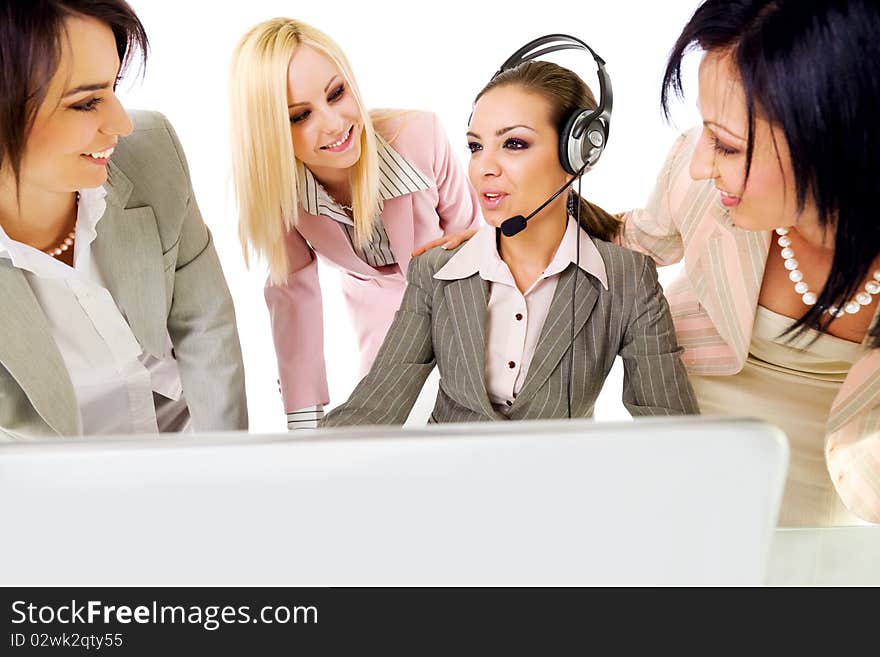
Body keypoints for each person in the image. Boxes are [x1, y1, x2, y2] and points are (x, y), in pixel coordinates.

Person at [322, 60, 698, 427]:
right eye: (475, 146)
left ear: (578, 152)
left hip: (558, 485)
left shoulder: (628, 280)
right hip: (447, 480)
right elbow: (375, 404)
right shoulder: (436, 270)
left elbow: (672, 427)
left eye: (514, 143)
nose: (485, 167)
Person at [618, 0, 880, 525]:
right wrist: (520, 234)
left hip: (835, 535)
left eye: (727, 146)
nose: (699, 163)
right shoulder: (698, 182)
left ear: (834, 143)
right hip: (671, 488)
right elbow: (631, 242)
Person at [0, 0, 247, 438]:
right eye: (86, 102)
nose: (122, 124)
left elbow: (207, 329)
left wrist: (221, 471)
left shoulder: (152, 153)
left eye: (114, 86)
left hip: (189, 452)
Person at [228, 18, 481, 430]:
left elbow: (475, 242)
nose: (332, 123)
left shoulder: (419, 136)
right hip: (382, 339)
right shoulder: (279, 196)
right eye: (300, 116)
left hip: (465, 310)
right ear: (269, 130)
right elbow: (294, 300)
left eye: (336, 93)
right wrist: (303, 421)